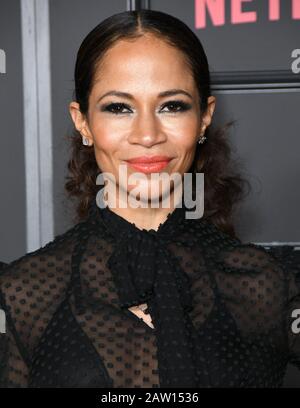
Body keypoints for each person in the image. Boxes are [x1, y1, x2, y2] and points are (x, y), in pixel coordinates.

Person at [0, 9, 299, 388]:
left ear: (204, 117)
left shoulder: (268, 284)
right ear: (83, 122)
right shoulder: (21, 293)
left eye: (172, 105)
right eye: (118, 107)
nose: (147, 134)